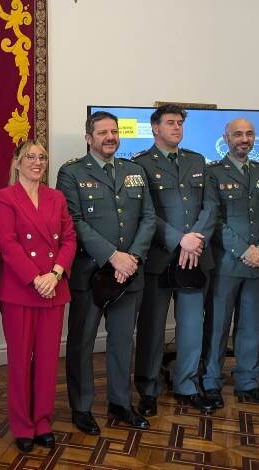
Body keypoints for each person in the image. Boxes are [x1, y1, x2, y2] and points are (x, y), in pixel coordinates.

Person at [58, 111, 156, 430]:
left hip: (130, 274)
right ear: (89, 138)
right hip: (91, 274)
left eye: (114, 131)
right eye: (102, 133)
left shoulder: (134, 170)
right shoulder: (71, 172)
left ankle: (120, 403)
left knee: (122, 341)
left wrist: (133, 258)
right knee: (82, 342)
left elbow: (148, 218)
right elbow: (74, 221)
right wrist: (113, 256)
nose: (110, 137)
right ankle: (82, 407)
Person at [133, 104, 219, 415]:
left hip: (195, 256)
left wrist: (194, 238)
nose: (176, 128)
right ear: (155, 128)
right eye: (170, 122)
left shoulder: (197, 161)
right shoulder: (141, 164)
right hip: (159, 258)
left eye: (180, 123)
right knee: (152, 327)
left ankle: (186, 385)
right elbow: (144, 213)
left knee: (191, 326)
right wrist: (177, 238)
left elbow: (210, 207)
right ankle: (149, 388)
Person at [0, 140, 76, 452]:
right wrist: (36, 277)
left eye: (42, 157)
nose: (37, 162)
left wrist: (54, 274)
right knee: (20, 361)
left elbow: (69, 238)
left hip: (53, 288)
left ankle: (42, 421)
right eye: (30, 156)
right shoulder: (5, 197)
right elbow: (7, 242)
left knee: (46, 360)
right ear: (17, 162)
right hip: (20, 289)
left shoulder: (57, 197)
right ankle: (22, 425)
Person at [201, 118, 259, 407]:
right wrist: (243, 250)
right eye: (237, 134)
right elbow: (214, 219)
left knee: (251, 325)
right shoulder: (212, 173)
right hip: (226, 263)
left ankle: (248, 382)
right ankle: (210, 382)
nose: (244, 139)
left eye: (249, 134)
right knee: (217, 325)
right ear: (226, 138)